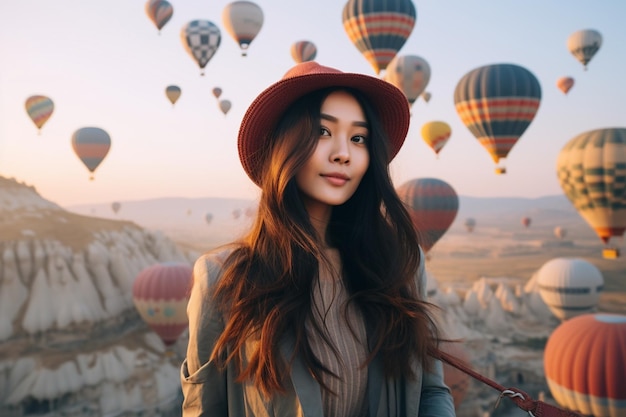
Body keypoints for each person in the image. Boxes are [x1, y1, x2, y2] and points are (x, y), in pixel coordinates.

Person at [180, 61, 456, 417]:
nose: (343, 153)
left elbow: (430, 391)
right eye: (324, 132)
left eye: (358, 138)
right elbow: (203, 410)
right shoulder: (223, 278)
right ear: (283, 149)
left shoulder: (401, 264)